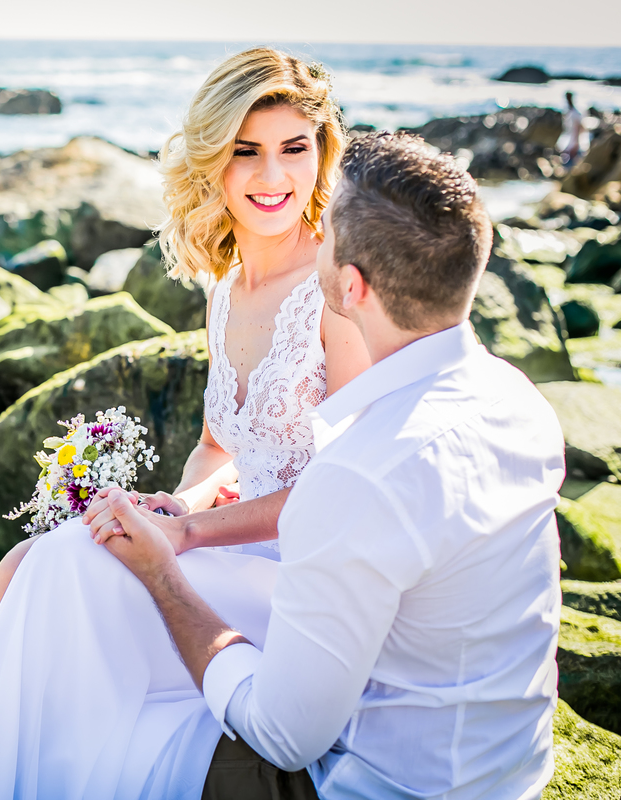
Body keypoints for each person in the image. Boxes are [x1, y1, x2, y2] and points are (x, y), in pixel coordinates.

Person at [0, 48, 370, 799]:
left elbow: (346, 492)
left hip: (301, 577)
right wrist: (179, 503)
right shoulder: (224, 285)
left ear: (322, 154)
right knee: (24, 564)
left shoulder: (338, 289)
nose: (273, 176)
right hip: (229, 545)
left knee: (57, 569)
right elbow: (220, 446)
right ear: (212, 158)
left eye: (293, 149)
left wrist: (185, 535)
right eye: (246, 151)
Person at [97, 132, 565, 798]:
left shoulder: (355, 473)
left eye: (330, 227)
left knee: (99, 739)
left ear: (350, 284)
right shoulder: (519, 401)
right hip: (507, 772)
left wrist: (162, 576)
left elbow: (284, 736)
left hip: (375, 783)